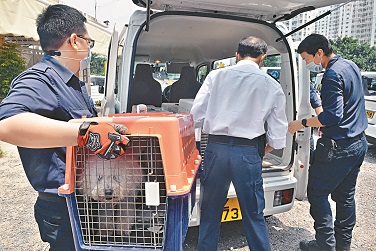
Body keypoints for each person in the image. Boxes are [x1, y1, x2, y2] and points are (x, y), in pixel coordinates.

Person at [0, 4, 129, 251]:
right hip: (61, 206)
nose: (90, 47)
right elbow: (7, 123)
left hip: (84, 199)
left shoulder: (73, 84)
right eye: (89, 41)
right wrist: (83, 132)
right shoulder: (41, 79)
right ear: (74, 40)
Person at [191, 36, 288, 251]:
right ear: (262, 57)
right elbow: (279, 132)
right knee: (254, 214)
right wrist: (264, 149)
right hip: (248, 152)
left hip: (215, 150)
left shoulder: (216, 76)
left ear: (237, 55)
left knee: (210, 211)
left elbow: (195, 115)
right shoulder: (271, 85)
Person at [288, 34, 368, 251]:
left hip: (338, 147)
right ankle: (342, 245)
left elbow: (332, 116)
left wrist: (301, 123)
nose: (307, 63)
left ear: (319, 53)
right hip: (359, 144)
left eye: (307, 58)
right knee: (345, 196)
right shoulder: (350, 65)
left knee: (317, 192)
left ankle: (325, 245)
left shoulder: (332, 74)